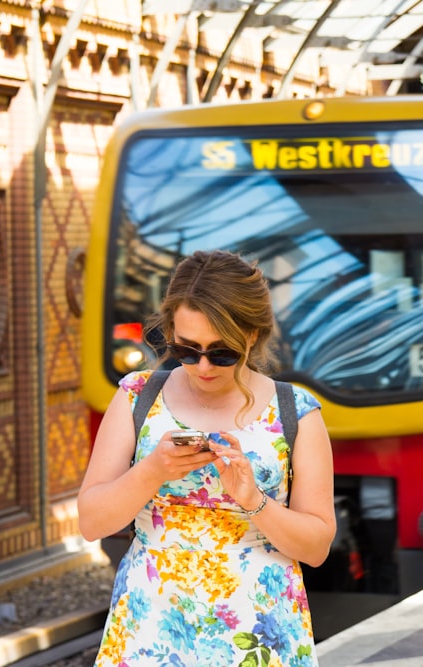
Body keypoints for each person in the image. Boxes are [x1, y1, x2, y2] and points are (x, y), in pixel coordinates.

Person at [78, 250, 336, 667]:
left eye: (222, 353)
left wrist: (253, 498)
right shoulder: (137, 396)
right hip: (151, 627)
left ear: (251, 336)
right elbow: (92, 522)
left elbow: (317, 547)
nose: (202, 366)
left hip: (259, 630)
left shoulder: (296, 411)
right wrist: (153, 471)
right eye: (186, 349)